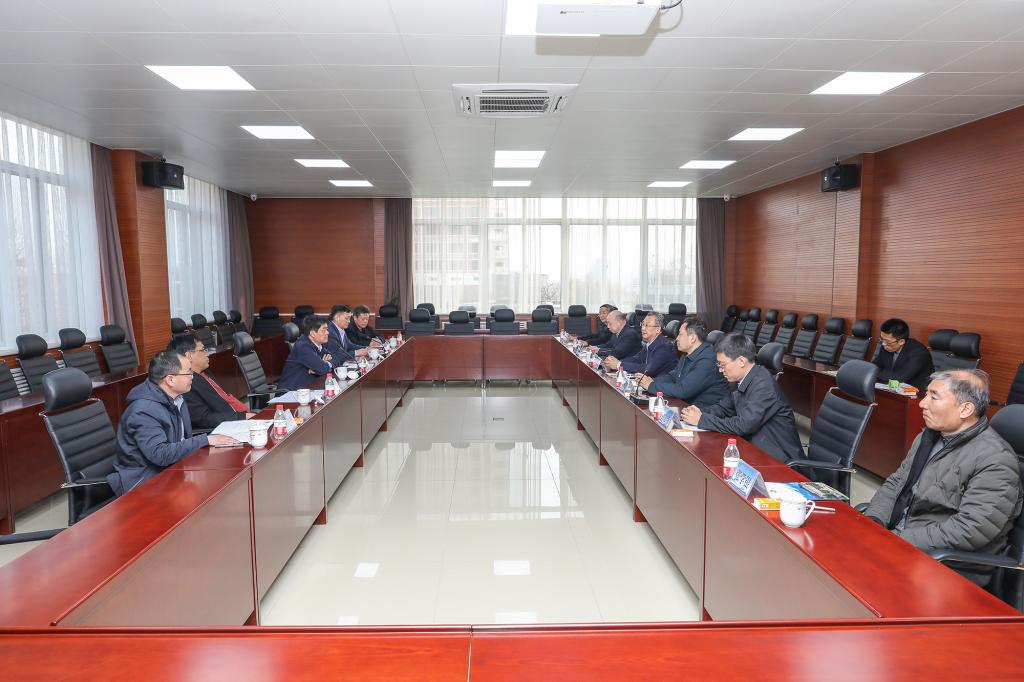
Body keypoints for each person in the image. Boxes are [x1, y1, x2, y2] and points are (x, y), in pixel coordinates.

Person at [862, 369, 1022, 586]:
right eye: (926, 394)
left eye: (934, 397)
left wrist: (896, 540)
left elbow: (970, 529)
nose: (922, 403)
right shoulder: (929, 436)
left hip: (946, 563)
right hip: (902, 539)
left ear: (965, 409)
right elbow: (897, 482)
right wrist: (874, 522)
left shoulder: (996, 460)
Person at [107, 350, 239, 496]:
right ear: (170, 380)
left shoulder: (177, 398)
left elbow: (180, 442)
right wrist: (205, 440)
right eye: (188, 372)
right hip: (144, 481)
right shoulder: (143, 411)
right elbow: (160, 454)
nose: (192, 376)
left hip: (172, 468)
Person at [681, 333, 803, 464]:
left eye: (723, 365)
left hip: (781, 460)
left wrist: (702, 420)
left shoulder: (763, 384)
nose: (720, 370)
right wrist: (698, 412)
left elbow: (743, 425)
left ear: (741, 361)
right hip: (756, 449)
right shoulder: (743, 378)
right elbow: (724, 408)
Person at [168, 333, 254, 430]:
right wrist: (242, 417)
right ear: (189, 355)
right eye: (203, 350)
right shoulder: (185, 383)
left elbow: (223, 399)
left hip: (241, 417)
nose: (207, 354)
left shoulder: (205, 372)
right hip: (228, 427)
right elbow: (205, 418)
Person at [644, 316, 731, 409]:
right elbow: (673, 377)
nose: (677, 338)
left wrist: (651, 386)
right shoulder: (687, 354)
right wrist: (650, 381)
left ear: (692, 338)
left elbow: (683, 391)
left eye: (680, 334)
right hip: (688, 405)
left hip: (706, 411)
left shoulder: (707, 360)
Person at [605, 312, 676, 379]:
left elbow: (648, 369)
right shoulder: (650, 343)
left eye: (647, 325)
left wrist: (619, 365)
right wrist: (616, 362)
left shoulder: (664, 346)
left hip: (661, 384)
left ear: (658, 329)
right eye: (643, 324)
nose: (643, 328)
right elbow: (636, 359)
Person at [278, 315, 340, 391]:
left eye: (327, 329)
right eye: (323, 330)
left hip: (308, 387)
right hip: (291, 392)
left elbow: (337, 360)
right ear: (312, 333)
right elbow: (322, 369)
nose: (327, 333)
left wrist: (322, 364)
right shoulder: (302, 346)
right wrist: (321, 366)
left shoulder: (319, 344)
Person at [873, 318, 935, 391]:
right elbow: (874, 366)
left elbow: (900, 378)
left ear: (901, 342)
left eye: (887, 341)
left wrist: (875, 373)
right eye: (882, 339)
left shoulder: (919, 352)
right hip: (893, 388)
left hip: (917, 392)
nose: (883, 344)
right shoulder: (886, 346)